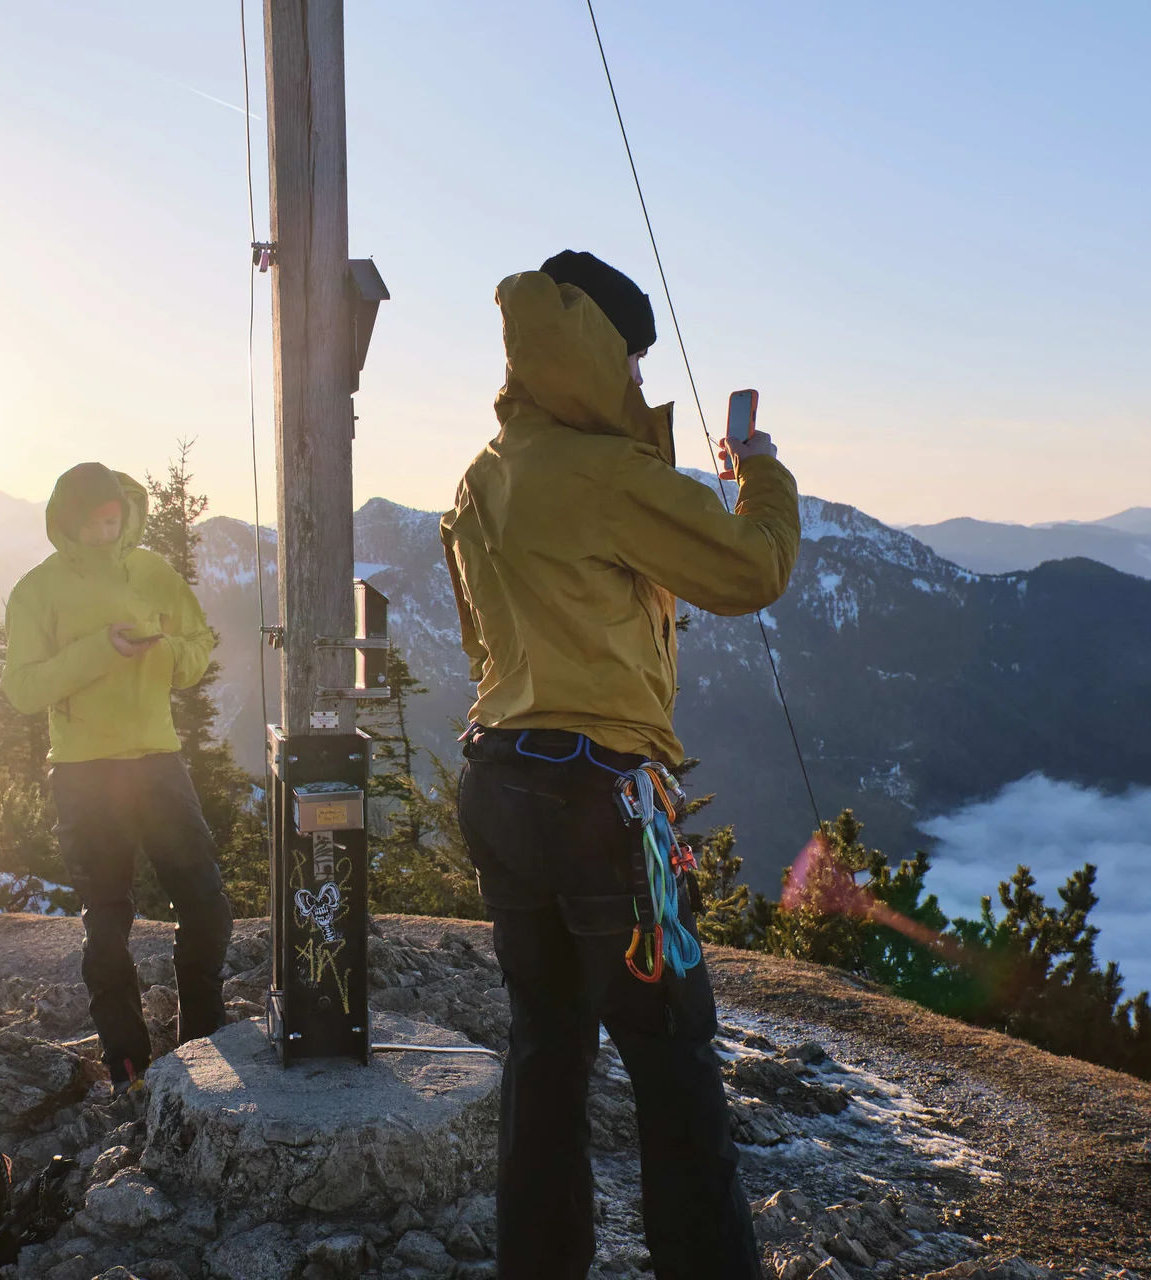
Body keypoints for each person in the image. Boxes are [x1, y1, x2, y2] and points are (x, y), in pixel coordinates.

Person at [440, 250, 800, 1280]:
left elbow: (482, 643)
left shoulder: (485, 472)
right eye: (634, 362)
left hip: (498, 779)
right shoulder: (605, 475)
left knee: (547, 1050)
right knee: (674, 1063)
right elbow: (750, 568)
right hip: (602, 800)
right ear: (599, 351)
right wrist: (759, 470)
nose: (643, 383)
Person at [3, 461, 234, 1095]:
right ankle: (127, 1064)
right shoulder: (36, 591)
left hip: (157, 760)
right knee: (107, 919)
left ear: (127, 513)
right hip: (83, 772)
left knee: (206, 903)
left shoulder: (154, 572)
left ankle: (205, 1041)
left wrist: (164, 651)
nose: (105, 532)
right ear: (67, 523)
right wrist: (103, 647)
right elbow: (24, 689)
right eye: (92, 523)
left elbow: (198, 645)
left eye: (113, 519)